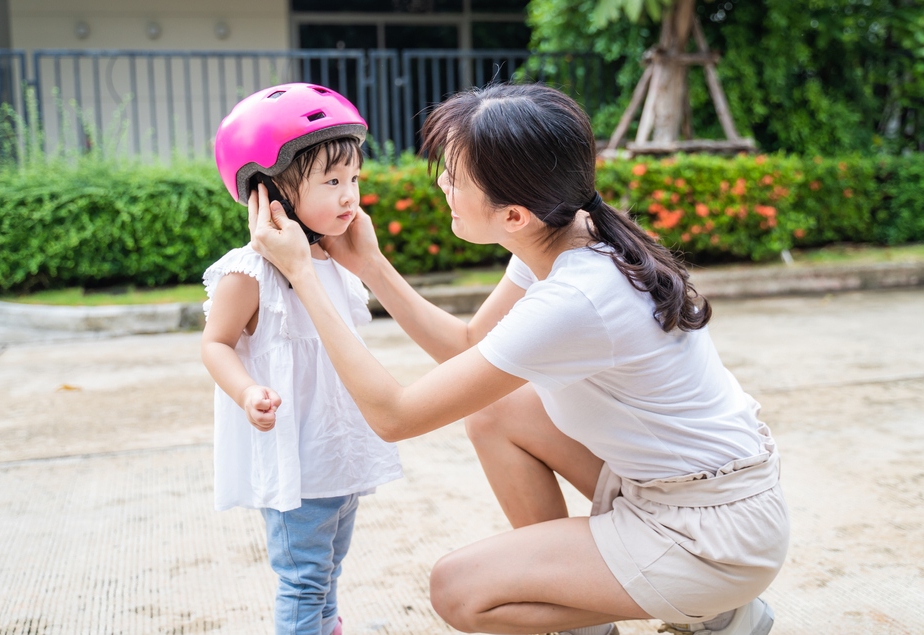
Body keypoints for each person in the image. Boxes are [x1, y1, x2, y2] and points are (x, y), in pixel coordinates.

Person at [247, 82, 789, 635]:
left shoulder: (577, 297)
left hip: (709, 535)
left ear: (513, 217)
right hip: (698, 493)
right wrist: (372, 267)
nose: (442, 185)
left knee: (458, 590)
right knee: (495, 411)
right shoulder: (571, 231)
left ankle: (712, 605)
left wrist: (302, 276)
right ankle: (640, 614)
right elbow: (468, 347)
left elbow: (395, 416)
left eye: (454, 177)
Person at [201, 83, 402, 635]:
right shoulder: (249, 274)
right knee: (304, 579)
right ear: (271, 198)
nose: (349, 196)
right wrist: (246, 392)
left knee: (329, 571)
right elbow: (215, 344)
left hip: (339, 457)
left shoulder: (336, 261)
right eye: (331, 182)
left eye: (354, 179)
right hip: (297, 464)